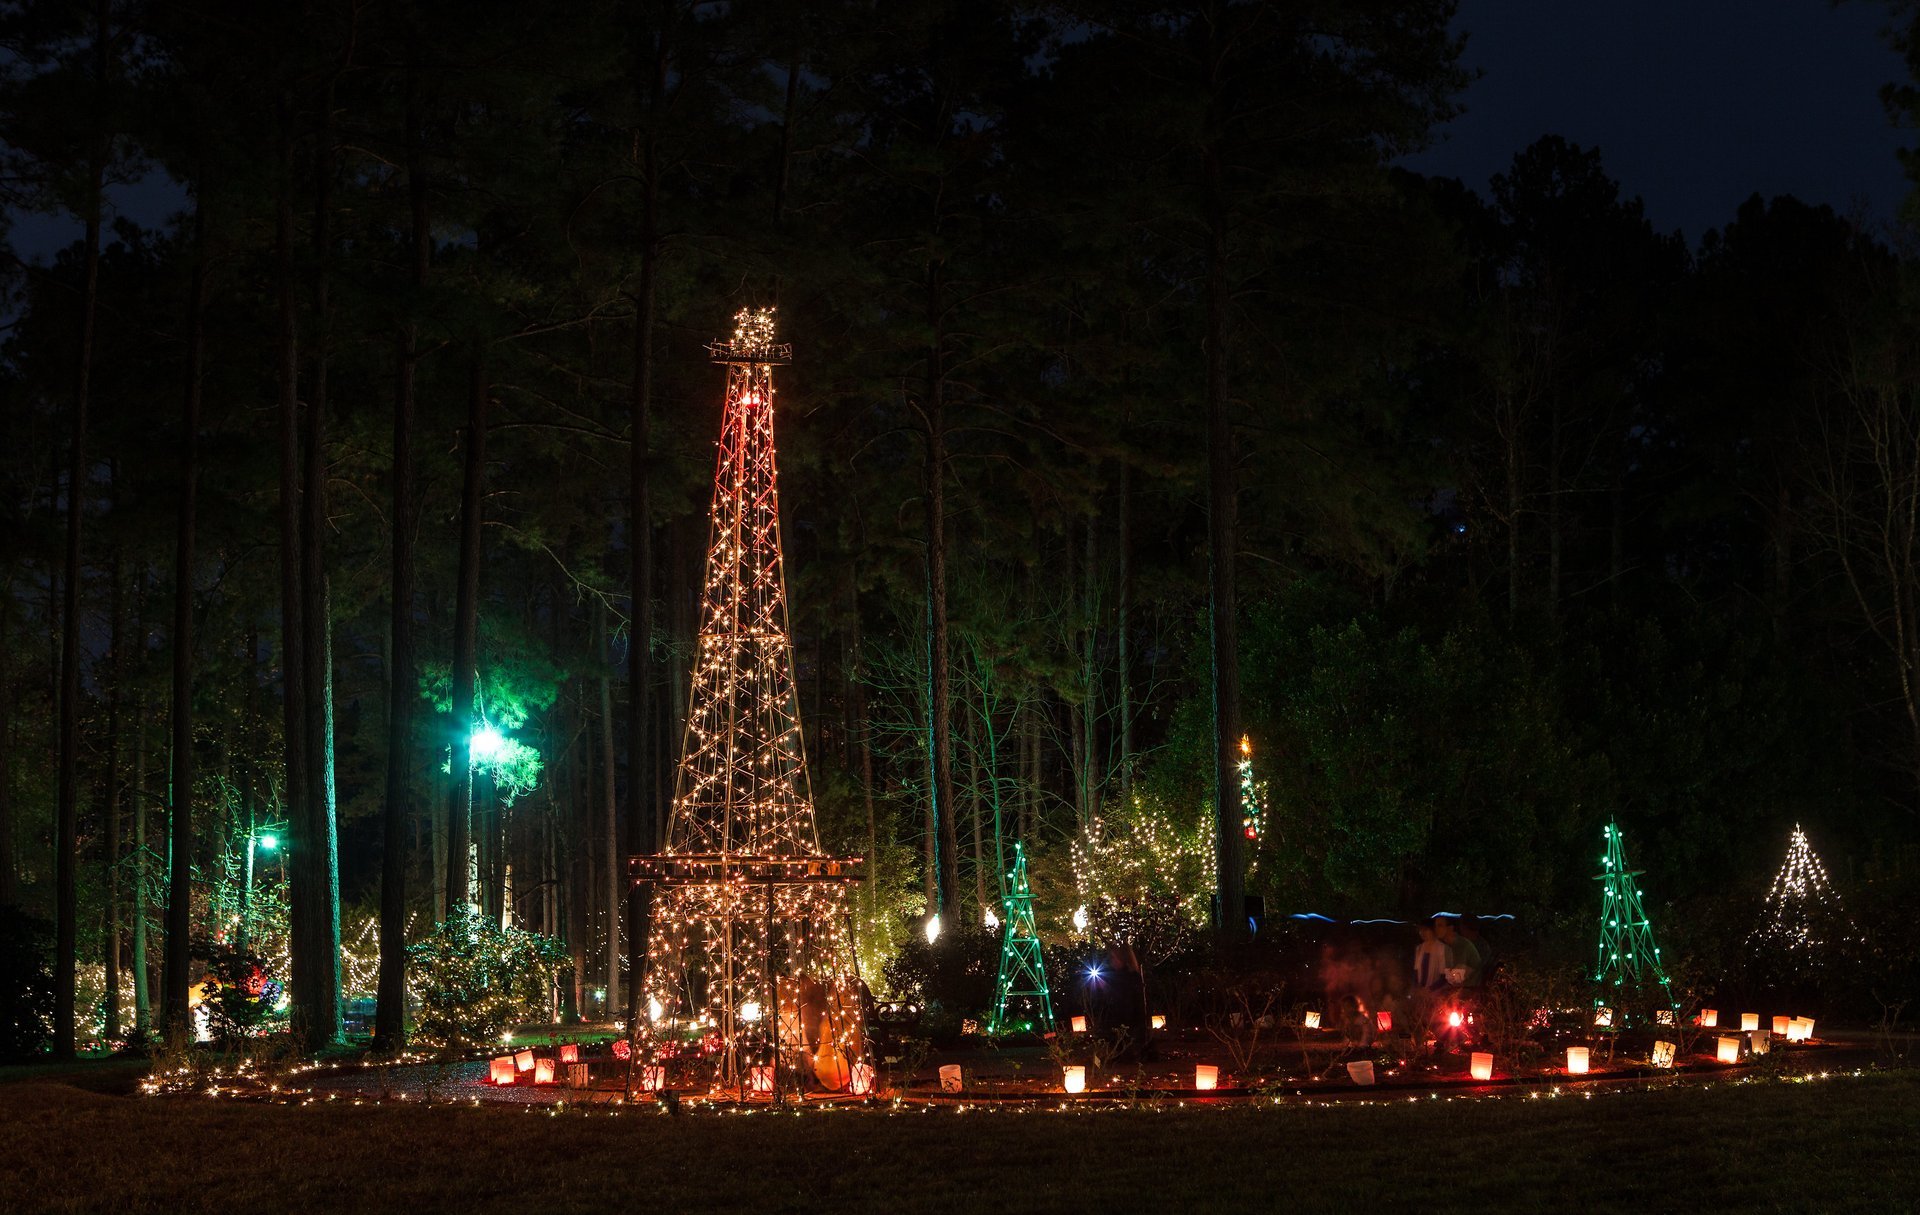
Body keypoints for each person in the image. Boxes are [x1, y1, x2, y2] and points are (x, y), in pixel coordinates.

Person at [1436, 916, 1482, 987]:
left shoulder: (1461, 945)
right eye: (1435, 926)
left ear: (1450, 928)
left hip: (1472, 990)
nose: (1436, 929)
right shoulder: (1447, 947)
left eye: (1440, 925)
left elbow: (1456, 980)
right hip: (1464, 989)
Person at [1413, 925, 1449, 990]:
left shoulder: (1442, 948)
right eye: (1420, 930)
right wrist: (1417, 988)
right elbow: (1416, 971)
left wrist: (1430, 989)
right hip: (1421, 992)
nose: (1422, 933)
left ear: (1433, 930)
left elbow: (1444, 976)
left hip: (1436, 992)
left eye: (1425, 930)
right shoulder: (1419, 948)